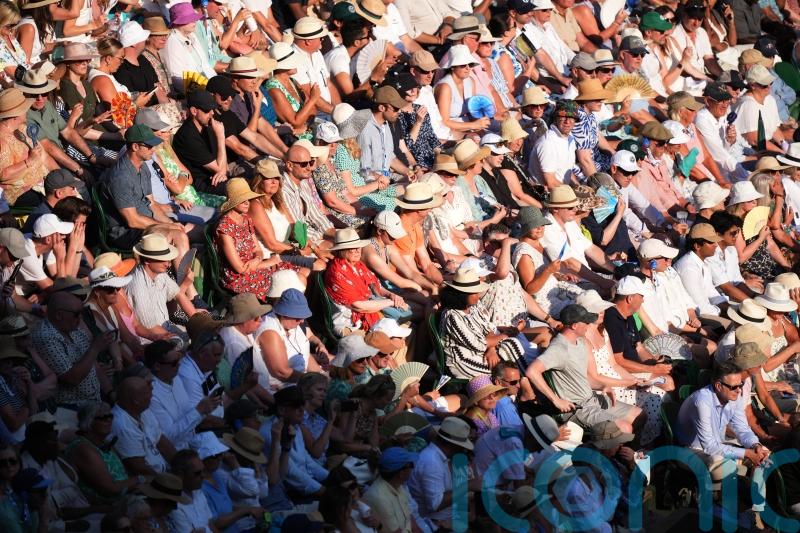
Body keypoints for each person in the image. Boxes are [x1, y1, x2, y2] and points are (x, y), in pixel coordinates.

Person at [525, 304, 643, 433]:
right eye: (586, 322)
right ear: (574, 326)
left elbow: (584, 376)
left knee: (640, 416)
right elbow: (532, 371)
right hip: (577, 408)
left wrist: (603, 386)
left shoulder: (580, 341)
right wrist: (556, 400)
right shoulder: (559, 348)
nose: (589, 325)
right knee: (624, 428)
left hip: (592, 399)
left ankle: (629, 445)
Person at [216, 178, 301, 302]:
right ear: (233, 202)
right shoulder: (224, 227)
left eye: (248, 199)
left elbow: (258, 250)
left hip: (256, 266)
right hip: (239, 278)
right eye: (242, 199)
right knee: (285, 281)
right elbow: (240, 268)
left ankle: (295, 309)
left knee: (298, 268)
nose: (247, 203)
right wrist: (268, 263)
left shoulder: (246, 219)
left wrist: (257, 260)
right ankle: (283, 309)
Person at [440, 268, 525, 379]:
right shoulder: (453, 316)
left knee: (512, 345)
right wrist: (508, 334)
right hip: (464, 360)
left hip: (482, 351)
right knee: (508, 368)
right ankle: (527, 379)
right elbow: (478, 344)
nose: (478, 295)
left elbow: (488, 328)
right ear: (463, 295)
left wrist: (492, 349)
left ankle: (527, 379)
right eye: (474, 292)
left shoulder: (474, 306)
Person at [324, 228, 408, 336]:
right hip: (351, 323)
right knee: (396, 336)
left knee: (409, 324)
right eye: (352, 248)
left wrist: (391, 295)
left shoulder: (358, 265)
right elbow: (358, 306)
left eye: (358, 246)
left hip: (371, 313)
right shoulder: (336, 273)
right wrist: (391, 302)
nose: (357, 250)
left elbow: (377, 287)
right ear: (342, 250)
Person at [145, 340, 222, 452]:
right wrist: (199, 411)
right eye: (174, 363)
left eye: (179, 358)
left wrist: (207, 409)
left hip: (193, 441)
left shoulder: (175, 378)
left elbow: (187, 410)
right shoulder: (151, 395)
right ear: (157, 366)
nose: (179, 364)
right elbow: (169, 437)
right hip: (177, 453)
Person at [408, 416, 477, 528]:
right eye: (461, 446)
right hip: (435, 523)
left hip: (449, 517)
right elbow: (435, 504)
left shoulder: (440, 458)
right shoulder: (431, 462)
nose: (464, 449)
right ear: (453, 445)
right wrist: (469, 485)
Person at [64, 403, 139, 504]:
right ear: (88, 422)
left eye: (110, 416)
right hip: (105, 505)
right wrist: (140, 479)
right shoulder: (83, 448)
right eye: (103, 418)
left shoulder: (104, 442)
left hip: (125, 495)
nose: (109, 420)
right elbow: (110, 489)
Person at [254, 288, 326, 390]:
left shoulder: (292, 324)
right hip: (280, 389)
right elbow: (281, 372)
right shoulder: (270, 331)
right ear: (284, 314)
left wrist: (321, 374)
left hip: (300, 382)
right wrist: (312, 381)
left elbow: (305, 356)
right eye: (298, 318)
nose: (302, 321)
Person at [362, 447, 420, 533]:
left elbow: (409, 520)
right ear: (401, 473)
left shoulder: (397, 484)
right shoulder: (380, 498)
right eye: (411, 465)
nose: (412, 468)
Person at [530, 100, 579, 187]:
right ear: (556, 118)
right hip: (545, 193)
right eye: (563, 117)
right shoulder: (548, 143)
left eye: (571, 118)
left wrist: (577, 186)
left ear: (575, 120)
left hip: (562, 189)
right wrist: (573, 193)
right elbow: (551, 182)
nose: (567, 121)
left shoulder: (570, 139)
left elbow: (566, 170)